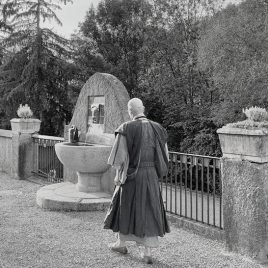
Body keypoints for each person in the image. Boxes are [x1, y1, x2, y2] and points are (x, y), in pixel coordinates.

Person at [103, 98, 170, 264]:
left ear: (129, 111)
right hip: (151, 176)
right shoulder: (159, 129)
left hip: (131, 176)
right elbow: (165, 156)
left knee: (125, 207)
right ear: (143, 109)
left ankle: (121, 243)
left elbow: (119, 159)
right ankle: (147, 252)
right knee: (150, 209)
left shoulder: (126, 128)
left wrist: (119, 176)